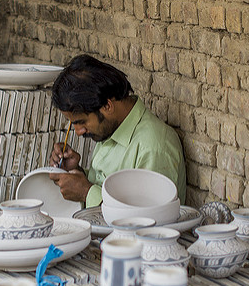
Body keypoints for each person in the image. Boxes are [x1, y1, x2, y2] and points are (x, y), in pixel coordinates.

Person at [48, 54, 186, 207]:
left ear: (107, 106)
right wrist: (76, 172)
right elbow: (108, 189)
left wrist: (86, 193)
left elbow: (145, 222)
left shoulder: (153, 147)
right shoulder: (111, 128)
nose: (79, 132)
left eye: (82, 122)